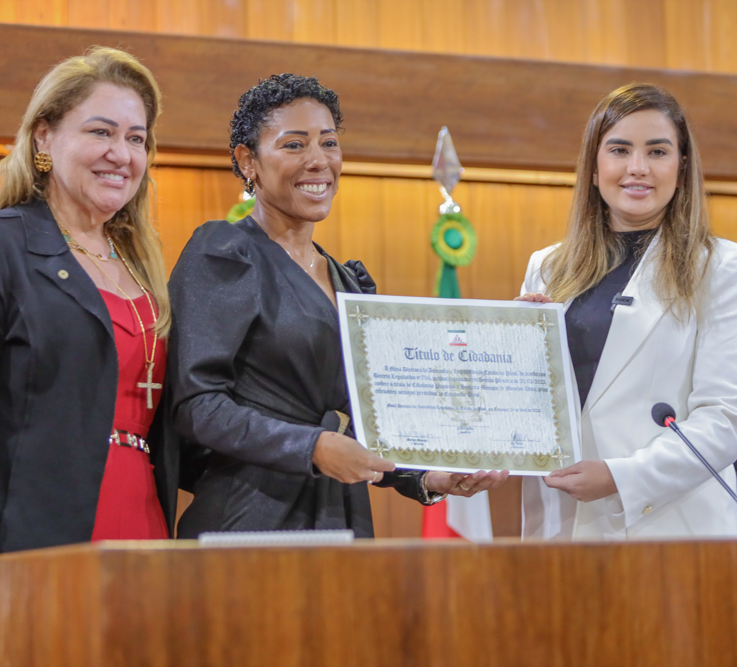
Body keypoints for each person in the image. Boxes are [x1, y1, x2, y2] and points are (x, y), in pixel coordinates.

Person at [0, 47, 175, 664]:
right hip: (15, 549)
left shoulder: (143, 269)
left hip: (141, 536)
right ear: (44, 138)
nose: (121, 153)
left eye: (136, 137)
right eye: (100, 131)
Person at [168, 74, 507, 537]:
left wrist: (427, 476)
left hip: (340, 515)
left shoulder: (347, 280)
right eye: (293, 145)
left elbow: (369, 418)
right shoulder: (225, 252)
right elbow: (198, 405)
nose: (318, 161)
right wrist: (312, 447)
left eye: (329, 142)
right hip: (249, 516)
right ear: (248, 160)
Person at [517, 83, 737, 540]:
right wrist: (513, 346)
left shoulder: (725, 267)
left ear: (681, 165)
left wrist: (621, 477)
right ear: (594, 168)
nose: (637, 168)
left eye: (657, 151)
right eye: (619, 149)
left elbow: (726, 420)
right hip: (561, 525)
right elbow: (532, 407)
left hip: (668, 525)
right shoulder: (547, 268)